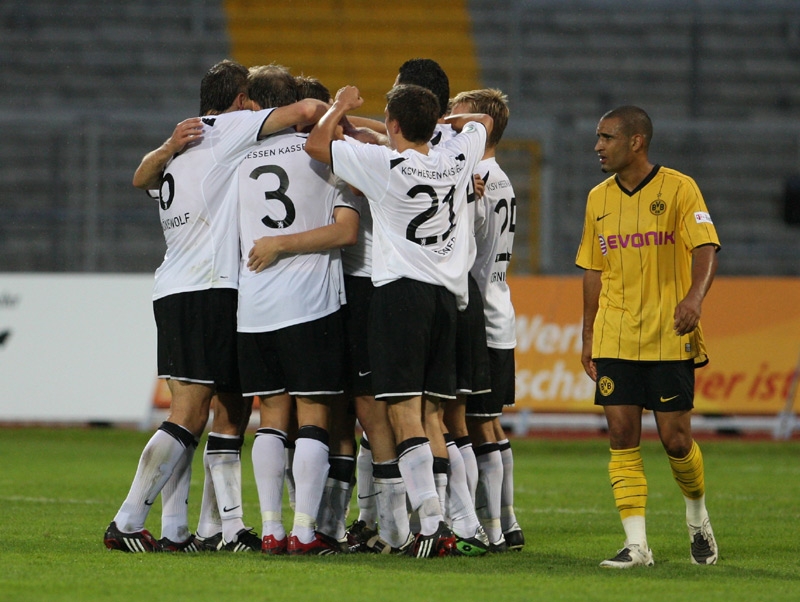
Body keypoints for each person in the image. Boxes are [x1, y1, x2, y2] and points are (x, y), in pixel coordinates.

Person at [103, 59, 327, 553]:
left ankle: (187, 529)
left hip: (173, 288)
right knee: (189, 414)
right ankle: (128, 520)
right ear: (241, 100)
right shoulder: (229, 129)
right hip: (209, 288)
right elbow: (307, 110)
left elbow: (141, 178)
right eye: (250, 99)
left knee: (210, 411)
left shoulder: (184, 144)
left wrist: (165, 147)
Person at [306, 83, 492, 557]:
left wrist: (340, 106)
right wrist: (445, 124)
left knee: (403, 413)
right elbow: (484, 122)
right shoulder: (456, 157)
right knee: (432, 415)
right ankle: (457, 524)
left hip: (400, 296)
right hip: (448, 299)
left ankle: (430, 526)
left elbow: (316, 145)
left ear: (391, 123)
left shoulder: (385, 166)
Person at [576, 105, 721, 568]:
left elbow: (706, 247)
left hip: (668, 331)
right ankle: (637, 545)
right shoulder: (598, 198)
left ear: (635, 141)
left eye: (606, 137)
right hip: (616, 332)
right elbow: (593, 270)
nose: (598, 146)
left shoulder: (679, 188)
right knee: (621, 434)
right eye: (598, 137)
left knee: (676, 440)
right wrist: (588, 334)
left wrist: (694, 298)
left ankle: (697, 517)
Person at [236, 64, 357, 556]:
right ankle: (304, 531)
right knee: (313, 418)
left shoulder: (236, 157)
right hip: (311, 304)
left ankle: (270, 528)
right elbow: (347, 231)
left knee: (270, 417)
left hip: (254, 304)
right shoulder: (324, 154)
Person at [450, 88, 524, 553]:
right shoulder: (502, 178)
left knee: (473, 424)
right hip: (500, 309)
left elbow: (462, 246)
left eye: (454, 117)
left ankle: (491, 529)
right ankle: (508, 523)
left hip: (476, 315)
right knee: (489, 424)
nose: (447, 124)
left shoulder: (475, 178)